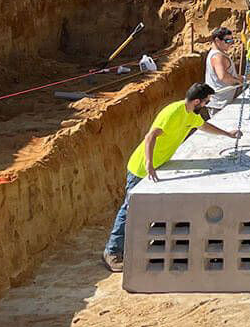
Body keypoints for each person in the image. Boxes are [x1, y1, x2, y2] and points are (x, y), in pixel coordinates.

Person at [103, 81, 242, 271]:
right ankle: (112, 252)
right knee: (129, 209)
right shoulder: (173, 113)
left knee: (143, 208)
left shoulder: (190, 115)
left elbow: (204, 127)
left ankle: (138, 244)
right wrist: (149, 163)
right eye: (206, 102)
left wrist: (228, 134)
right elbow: (150, 137)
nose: (206, 105)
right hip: (141, 169)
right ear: (196, 101)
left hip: (158, 167)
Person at [203, 26, 242, 101]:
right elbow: (223, 76)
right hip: (221, 103)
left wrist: (239, 77)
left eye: (231, 41)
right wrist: (237, 82)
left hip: (221, 100)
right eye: (227, 41)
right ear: (217, 40)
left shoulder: (216, 54)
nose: (230, 44)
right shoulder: (218, 57)